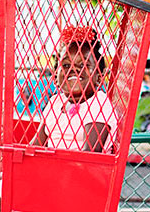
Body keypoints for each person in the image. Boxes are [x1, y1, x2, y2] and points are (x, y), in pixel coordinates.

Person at [32, 25, 118, 153]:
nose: (74, 69)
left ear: (99, 77)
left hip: (81, 170)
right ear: (56, 77)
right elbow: (36, 145)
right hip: (50, 168)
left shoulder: (98, 104)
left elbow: (90, 154)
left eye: (83, 64)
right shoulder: (55, 102)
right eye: (66, 65)